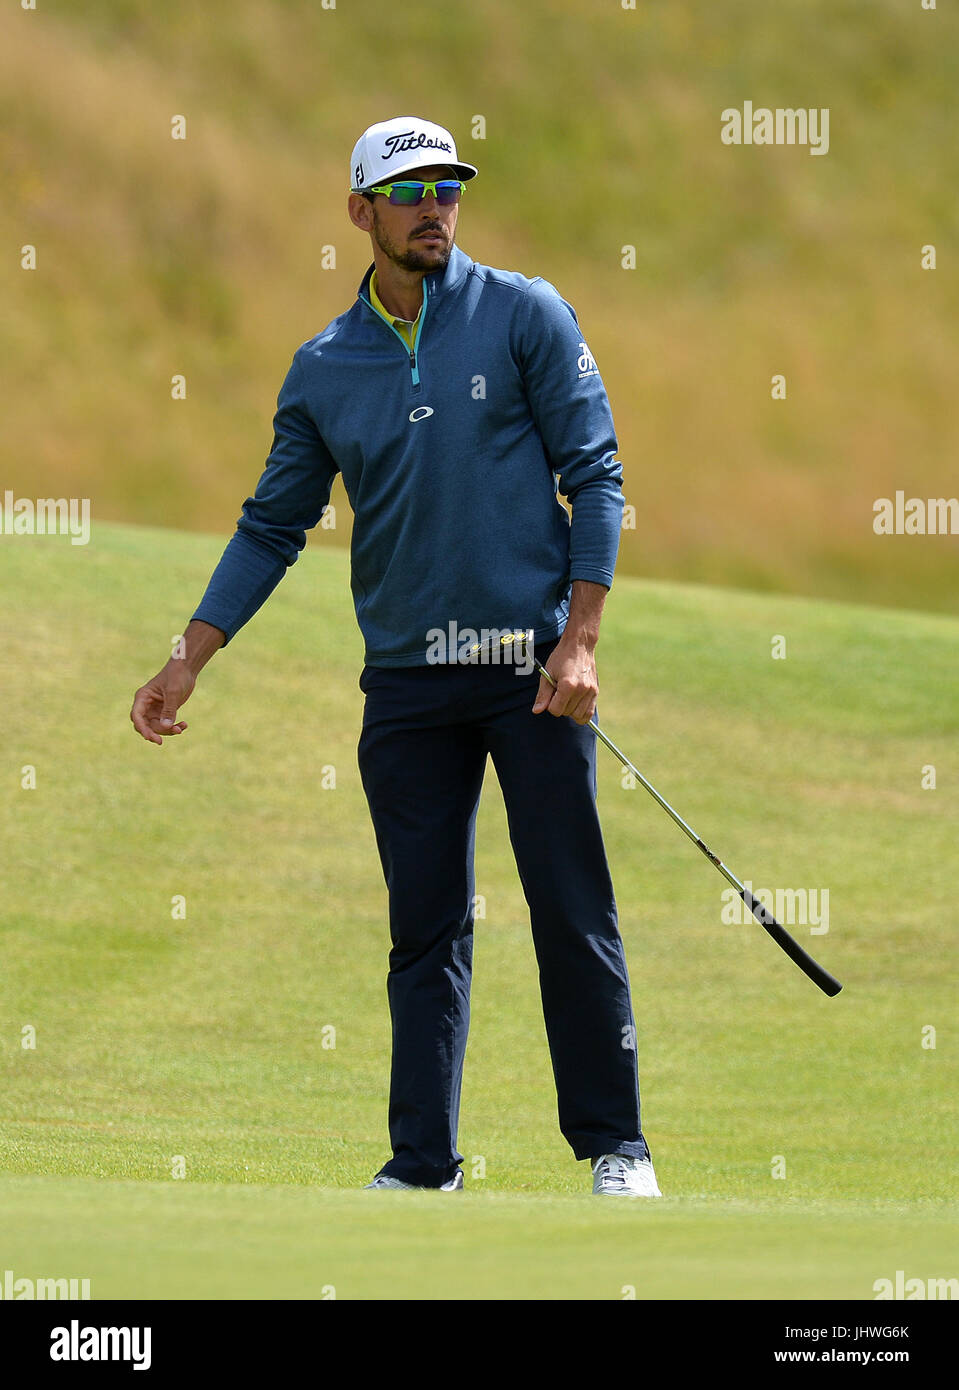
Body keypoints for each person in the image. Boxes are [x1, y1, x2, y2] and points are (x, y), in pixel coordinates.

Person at [130, 116, 661, 1198]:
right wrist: (188, 656)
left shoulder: (524, 313)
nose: (434, 207)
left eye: (448, 188)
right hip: (408, 682)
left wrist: (580, 639)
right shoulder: (325, 366)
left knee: (570, 907)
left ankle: (616, 1148)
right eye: (409, 190)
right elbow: (272, 526)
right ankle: (422, 1162)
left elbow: (595, 476)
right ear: (359, 211)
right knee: (423, 929)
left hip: (530, 671)